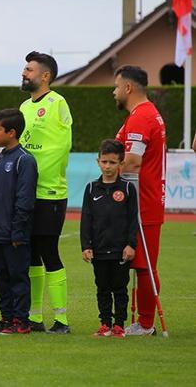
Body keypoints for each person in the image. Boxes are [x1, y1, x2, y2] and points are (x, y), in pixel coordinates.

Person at [19, 51, 73, 334]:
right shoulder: (24, 107)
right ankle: (35, 317)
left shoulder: (58, 103)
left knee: (48, 250)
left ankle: (62, 319)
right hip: (26, 193)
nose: (24, 73)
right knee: (30, 254)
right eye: (24, 69)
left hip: (50, 192)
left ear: (45, 76)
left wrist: (33, 171)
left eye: (29, 69)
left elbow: (61, 147)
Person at [112, 65, 166, 336]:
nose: (114, 92)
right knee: (142, 264)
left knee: (144, 266)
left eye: (116, 86)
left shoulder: (141, 117)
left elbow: (132, 162)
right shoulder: (143, 114)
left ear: (128, 88)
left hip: (142, 203)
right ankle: (142, 321)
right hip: (147, 201)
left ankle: (145, 324)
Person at [0, 109, 37, 335]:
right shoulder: (0, 158)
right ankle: (6, 317)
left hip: (13, 234)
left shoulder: (25, 160)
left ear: (11, 132)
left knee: (17, 277)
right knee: (1, 278)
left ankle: (21, 320)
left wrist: (18, 232)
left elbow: (25, 200)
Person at [80, 139, 138, 338]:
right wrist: (86, 245)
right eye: (104, 162)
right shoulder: (90, 188)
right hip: (98, 249)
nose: (108, 166)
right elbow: (86, 220)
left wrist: (131, 244)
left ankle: (119, 325)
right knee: (102, 288)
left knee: (120, 288)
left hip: (120, 250)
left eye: (112, 162)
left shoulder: (128, 189)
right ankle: (105, 324)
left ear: (121, 164)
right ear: (98, 162)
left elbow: (133, 220)